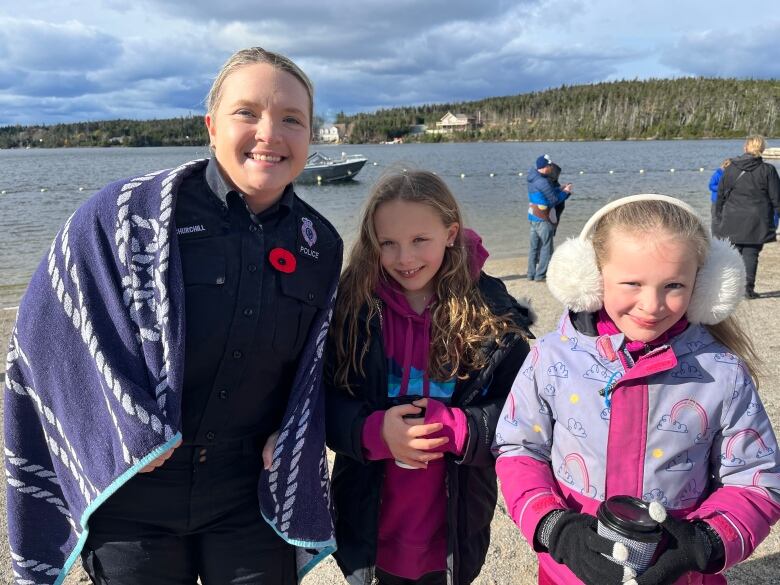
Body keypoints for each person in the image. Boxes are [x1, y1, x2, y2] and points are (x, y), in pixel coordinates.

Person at [5, 47, 342, 585]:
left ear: (309, 136)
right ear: (211, 126)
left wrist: (296, 429)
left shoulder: (319, 244)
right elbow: (45, 332)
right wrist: (124, 424)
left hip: (248, 495)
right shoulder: (123, 215)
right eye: (247, 112)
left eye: (292, 119)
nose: (270, 132)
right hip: (135, 492)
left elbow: (313, 367)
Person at [495, 194, 780, 585]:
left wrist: (706, 542)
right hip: (569, 572)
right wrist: (554, 527)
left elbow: (755, 478)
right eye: (632, 283)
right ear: (590, 277)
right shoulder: (550, 358)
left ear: (703, 285)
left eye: (674, 285)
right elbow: (519, 449)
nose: (652, 304)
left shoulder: (723, 373)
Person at [325, 169, 534, 585]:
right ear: (372, 244)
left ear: (451, 233)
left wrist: (458, 428)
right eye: (389, 243)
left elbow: (522, 413)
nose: (405, 258)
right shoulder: (352, 312)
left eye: (420, 240)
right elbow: (323, 403)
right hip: (368, 525)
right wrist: (373, 431)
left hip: (453, 528)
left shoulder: (491, 316)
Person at [713, 134, 780, 299]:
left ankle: (730, 290)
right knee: (751, 254)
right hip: (757, 220)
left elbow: (720, 195)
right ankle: (747, 290)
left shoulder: (730, 168)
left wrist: (719, 216)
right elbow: (776, 198)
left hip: (732, 217)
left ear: (745, 148)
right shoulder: (767, 170)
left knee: (732, 254)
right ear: (762, 149)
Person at [527, 154, 572, 282]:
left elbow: (548, 193)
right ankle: (540, 275)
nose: (551, 168)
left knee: (534, 247)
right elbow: (553, 200)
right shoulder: (542, 181)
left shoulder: (534, 177)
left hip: (533, 216)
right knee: (547, 247)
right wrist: (566, 192)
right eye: (549, 166)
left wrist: (559, 188)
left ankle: (530, 274)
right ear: (544, 167)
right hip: (542, 218)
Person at [707, 159, 730, 230]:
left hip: (727, 201)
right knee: (716, 220)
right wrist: (721, 187)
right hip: (716, 201)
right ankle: (715, 237)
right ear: (724, 165)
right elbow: (711, 186)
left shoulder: (731, 174)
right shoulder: (717, 174)